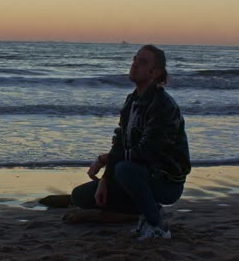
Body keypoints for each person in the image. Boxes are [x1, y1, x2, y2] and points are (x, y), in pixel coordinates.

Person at [71, 45, 191, 240]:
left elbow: (148, 151)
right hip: (138, 175)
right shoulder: (132, 101)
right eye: (135, 59)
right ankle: (146, 208)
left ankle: (157, 226)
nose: (135, 65)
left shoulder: (163, 105)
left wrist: (104, 159)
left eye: (142, 62)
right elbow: (120, 142)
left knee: (125, 169)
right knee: (81, 196)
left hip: (165, 181)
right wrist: (105, 180)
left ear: (155, 72)